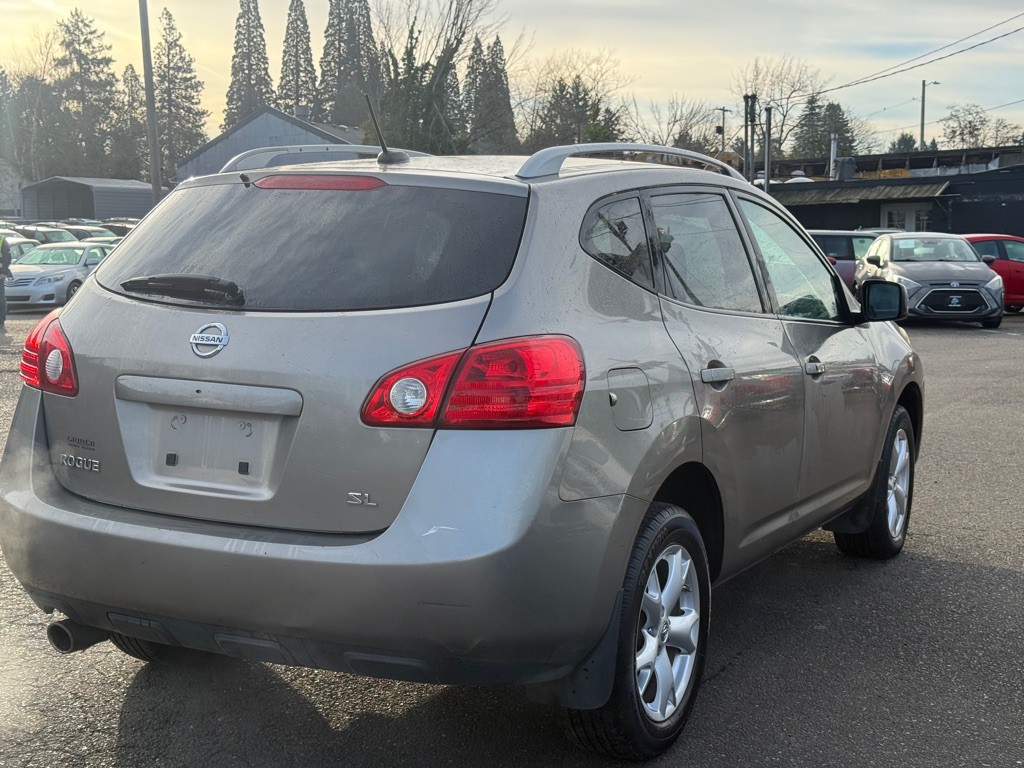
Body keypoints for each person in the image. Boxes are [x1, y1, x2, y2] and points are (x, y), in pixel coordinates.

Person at [0, 235, 12, 329]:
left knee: (0, 298)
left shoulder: (2, 240)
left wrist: (3, 272)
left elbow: (7, 258)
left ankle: (1, 320)